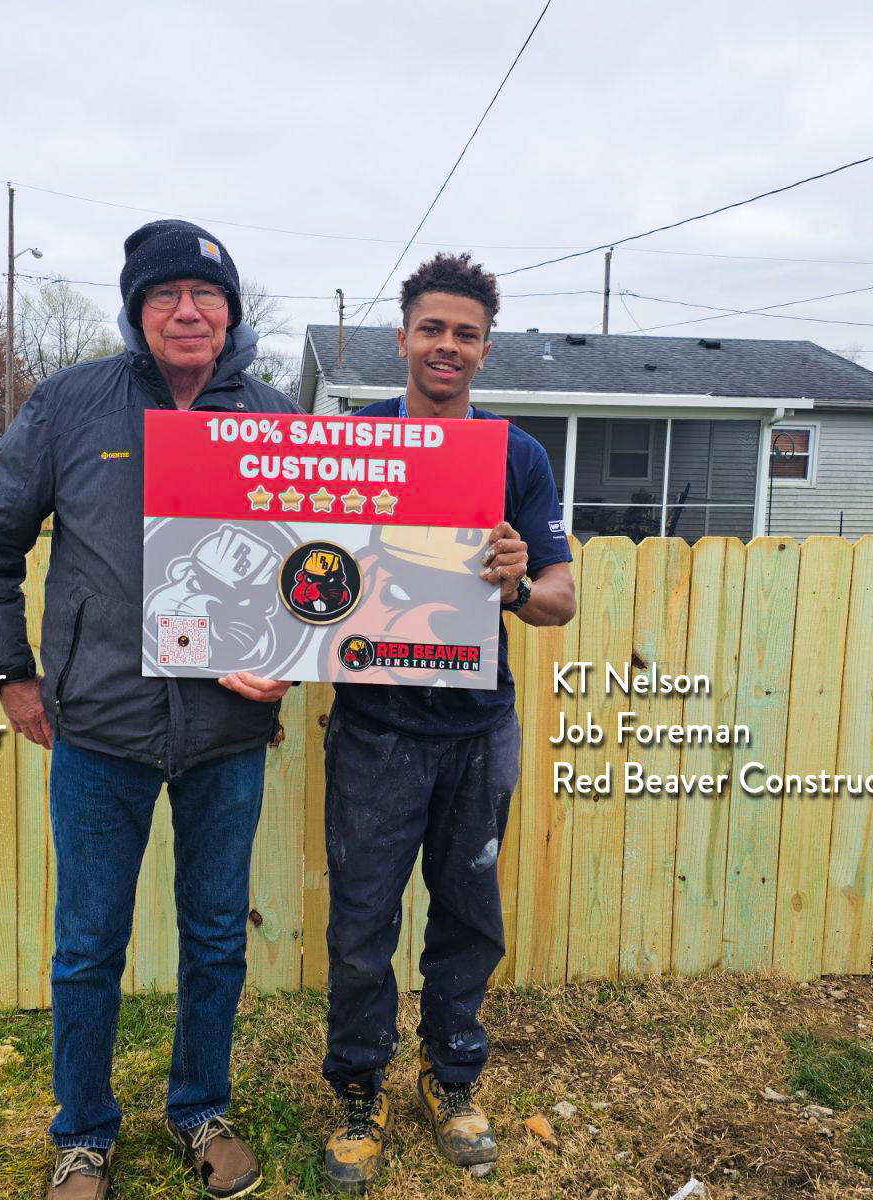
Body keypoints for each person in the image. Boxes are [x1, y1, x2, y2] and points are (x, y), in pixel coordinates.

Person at [0, 219, 298, 1200]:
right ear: (137, 311)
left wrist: (290, 666)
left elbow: (318, 581)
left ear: (231, 312)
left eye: (206, 296)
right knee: (88, 943)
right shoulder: (70, 405)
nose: (187, 312)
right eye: (163, 296)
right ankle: (83, 1134)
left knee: (217, 935)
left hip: (228, 739)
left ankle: (200, 1109)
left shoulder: (274, 416)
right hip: (99, 731)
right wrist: (11, 672)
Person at [319, 253, 576, 1194]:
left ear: (483, 347)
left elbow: (559, 599)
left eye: (465, 333)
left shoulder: (515, 457)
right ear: (402, 338)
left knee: (468, 914)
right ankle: (358, 1088)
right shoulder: (350, 442)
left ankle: (450, 1076)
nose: (447, 346)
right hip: (372, 728)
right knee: (360, 923)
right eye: (432, 328)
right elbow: (298, 567)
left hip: (475, 728)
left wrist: (516, 580)